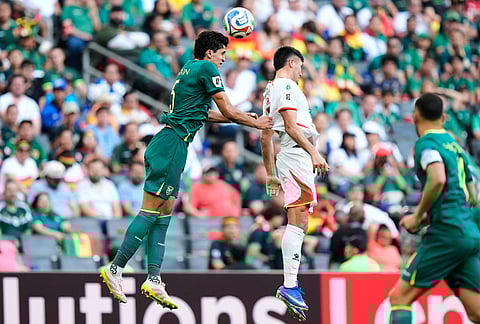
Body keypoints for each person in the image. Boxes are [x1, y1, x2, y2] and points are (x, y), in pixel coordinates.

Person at [100, 30, 272, 308]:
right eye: (222, 53)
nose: (224, 59)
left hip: (174, 144)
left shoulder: (190, 68)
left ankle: (154, 279)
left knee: (165, 212)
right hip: (171, 144)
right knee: (150, 210)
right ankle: (116, 268)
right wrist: (255, 122)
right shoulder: (206, 67)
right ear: (210, 53)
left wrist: (242, 120)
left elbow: (203, 114)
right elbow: (227, 108)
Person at [388, 93, 480, 324]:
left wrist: (418, 216)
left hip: (446, 234)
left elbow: (437, 178)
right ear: (444, 117)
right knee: (477, 312)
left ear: (415, 116)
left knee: (399, 298)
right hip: (468, 233)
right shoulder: (456, 147)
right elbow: (472, 196)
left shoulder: (426, 143)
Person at [260, 46, 329, 322]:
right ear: (292, 63)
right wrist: (313, 152)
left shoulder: (270, 90)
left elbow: (266, 135)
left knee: (301, 220)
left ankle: (291, 283)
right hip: (297, 155)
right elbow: (290, 127)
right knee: (297, 217)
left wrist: (270, 172)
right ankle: (289, 284)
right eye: (300, 66)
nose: (302, 72)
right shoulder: (287, 87)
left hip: (291, 157)